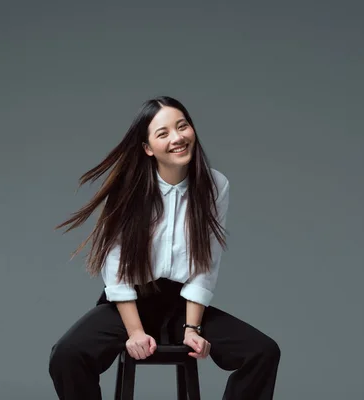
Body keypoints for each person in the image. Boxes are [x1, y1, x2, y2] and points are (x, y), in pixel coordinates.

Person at [48, 96, 281, 399]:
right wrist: (134, 332)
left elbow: (205, 263)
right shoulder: (127, 188)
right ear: (147, 148)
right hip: (129, 304)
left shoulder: (215, 186)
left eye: (182, 126)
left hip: (182, 304)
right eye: (163, 133)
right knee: (67, 355)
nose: (178, 138)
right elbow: (116, 267)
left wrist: (192, 328)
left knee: (262, 352)